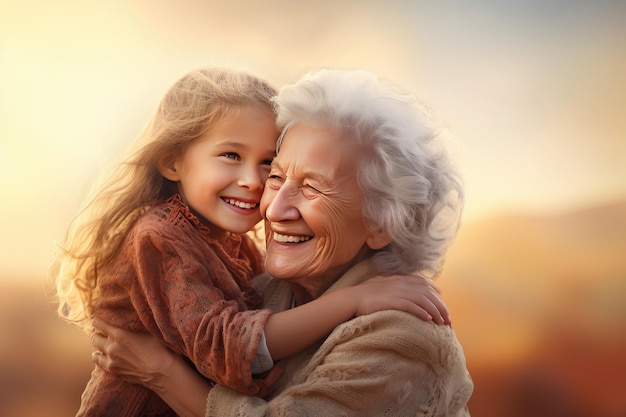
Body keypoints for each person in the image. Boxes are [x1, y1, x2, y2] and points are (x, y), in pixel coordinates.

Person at [50, 67, 452, 417]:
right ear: (173, 161)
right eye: (277, 175)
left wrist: (160, 373)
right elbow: (233, 344)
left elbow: (234, 346)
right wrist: (349, 301)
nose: (271, 206)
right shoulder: (165, 240)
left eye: (312, 187)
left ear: (381, 222)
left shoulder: (399, 337)